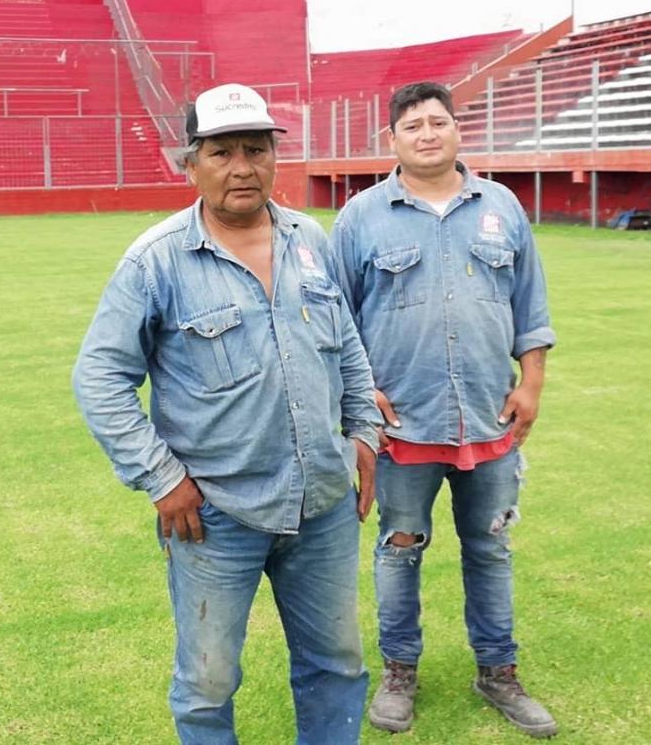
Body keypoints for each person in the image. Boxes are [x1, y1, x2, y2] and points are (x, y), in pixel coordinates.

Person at [73, 83, 381, 745]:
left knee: (338, 663)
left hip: (322, 503)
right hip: (214, 514)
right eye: (221, 152)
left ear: (275, 157)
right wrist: (160, 477)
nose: (241, 167)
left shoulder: (309, 240)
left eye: (256, 149)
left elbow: (347, 347)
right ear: (190, 163)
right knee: (208, 683)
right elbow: (99, 377)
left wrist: (364, 433)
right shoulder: (157, 260)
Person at [328, 81, 558, 739]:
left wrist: (531, 384)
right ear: (391, 140)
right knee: (400, 550)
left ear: (457, 130)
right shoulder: (361, 218)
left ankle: (499, 674)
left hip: (490, 420)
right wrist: (357, 391)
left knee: (490, 551)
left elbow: (531, 310)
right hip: (401, 428)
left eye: (438, 122)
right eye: (412, 126)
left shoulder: (503, 208)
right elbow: (335, 318)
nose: (427, 134)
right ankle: (400, 671)